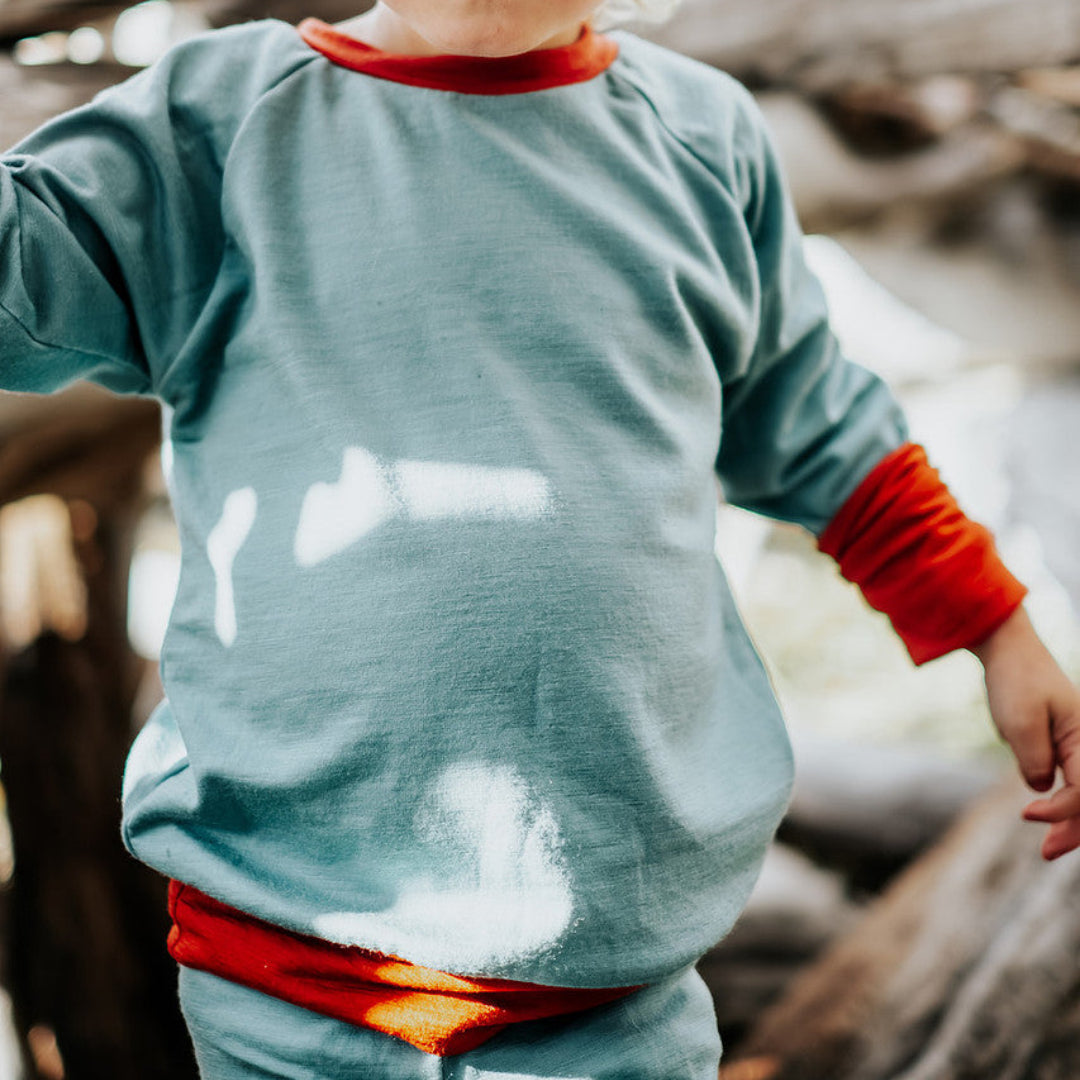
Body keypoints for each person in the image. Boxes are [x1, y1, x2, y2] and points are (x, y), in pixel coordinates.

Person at [3, 0, 1079, 1076]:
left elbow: (824, 434)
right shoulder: (218, 128)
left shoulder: (696, 135)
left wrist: (996, 627)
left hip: (620, 996)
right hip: (284, 980)